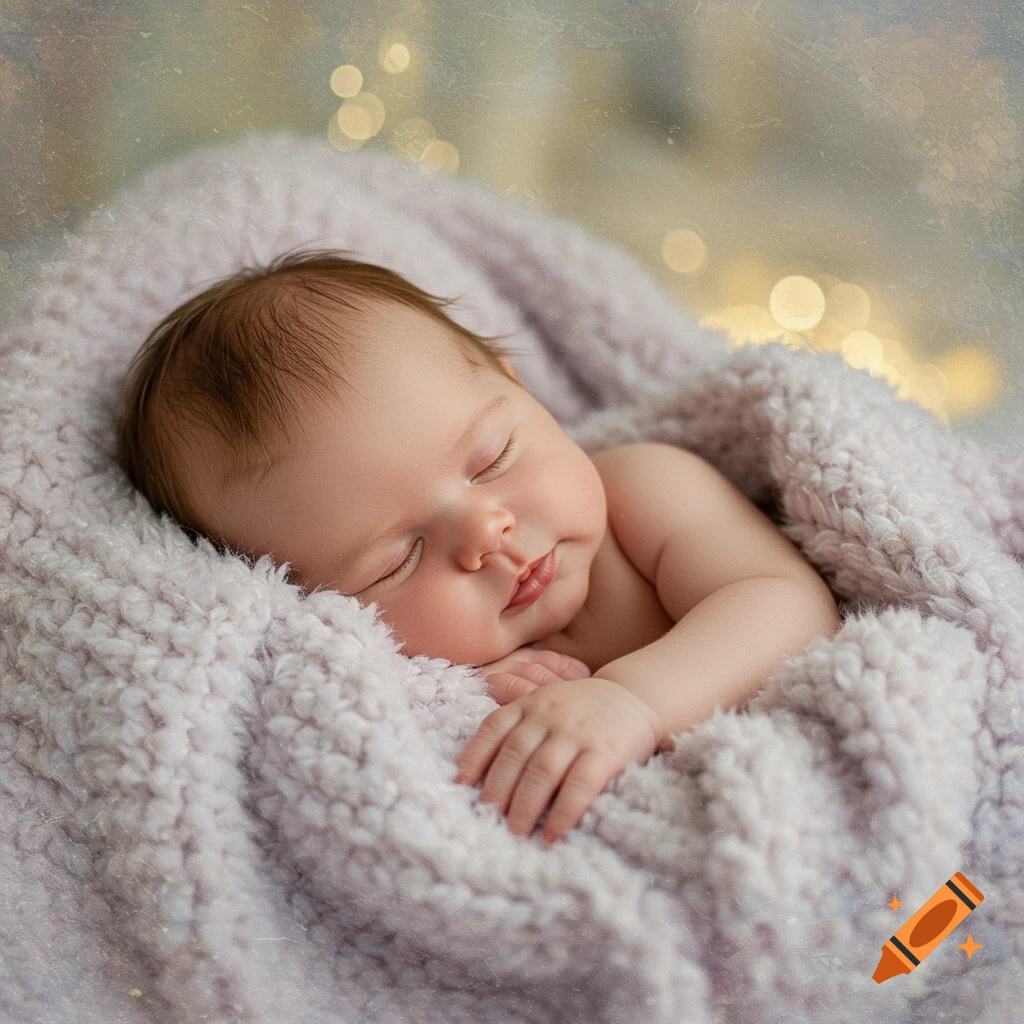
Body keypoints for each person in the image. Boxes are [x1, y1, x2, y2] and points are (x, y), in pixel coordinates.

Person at [117, 246, 842, 846]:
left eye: (492, 458)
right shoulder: (429, 684)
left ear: (519, 387)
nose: (485, 534)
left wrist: (630, 702)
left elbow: (788, 605)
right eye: (397, 559)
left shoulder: (643, 493)